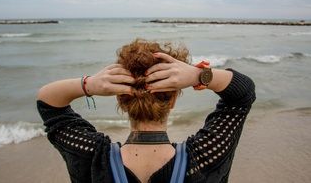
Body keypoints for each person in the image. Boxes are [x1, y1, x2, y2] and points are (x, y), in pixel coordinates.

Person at [37, 39, 255, 183]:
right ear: (172, 102)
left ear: (121, 101)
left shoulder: (92, 158)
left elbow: (48, 102)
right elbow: (242, 94)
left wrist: (89, 84)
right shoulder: (206, 156)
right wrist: (199, 76)